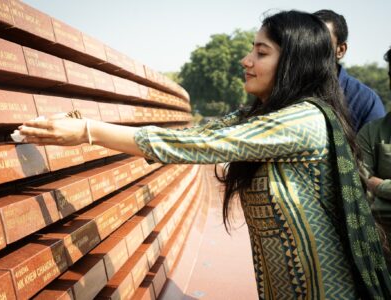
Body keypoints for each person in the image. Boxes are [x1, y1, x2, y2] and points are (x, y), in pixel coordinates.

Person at [19, 10, 391, 299]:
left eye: (261, 52)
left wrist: (88, 133)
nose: (246, 60)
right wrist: (85, 120)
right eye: (251, 48)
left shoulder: (302, 121)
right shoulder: (262, 115)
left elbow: (196, 146)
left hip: (325, 288)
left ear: (295, 63)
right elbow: (201, 131)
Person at [314, 9, 386, 132]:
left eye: (322, 43)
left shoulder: (365, 101)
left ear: (341, 50)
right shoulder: (285, 91)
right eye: (306, 41)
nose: (312, 49)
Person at [357, 47, 391, 256]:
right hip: (381, 249)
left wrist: (381, 185)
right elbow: (361, 189)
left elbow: (372, 183)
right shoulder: (372, 131)